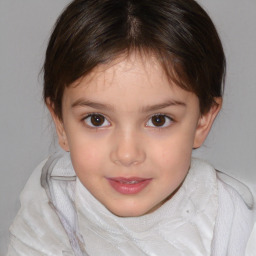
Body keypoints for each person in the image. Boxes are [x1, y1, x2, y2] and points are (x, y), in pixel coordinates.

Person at [7, 0, 254, 255]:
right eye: (96, 120)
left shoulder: (238, 224)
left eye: (158, 120)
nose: (127, 155)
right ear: (60, 123)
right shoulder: (52, 200)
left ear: (202, 121)